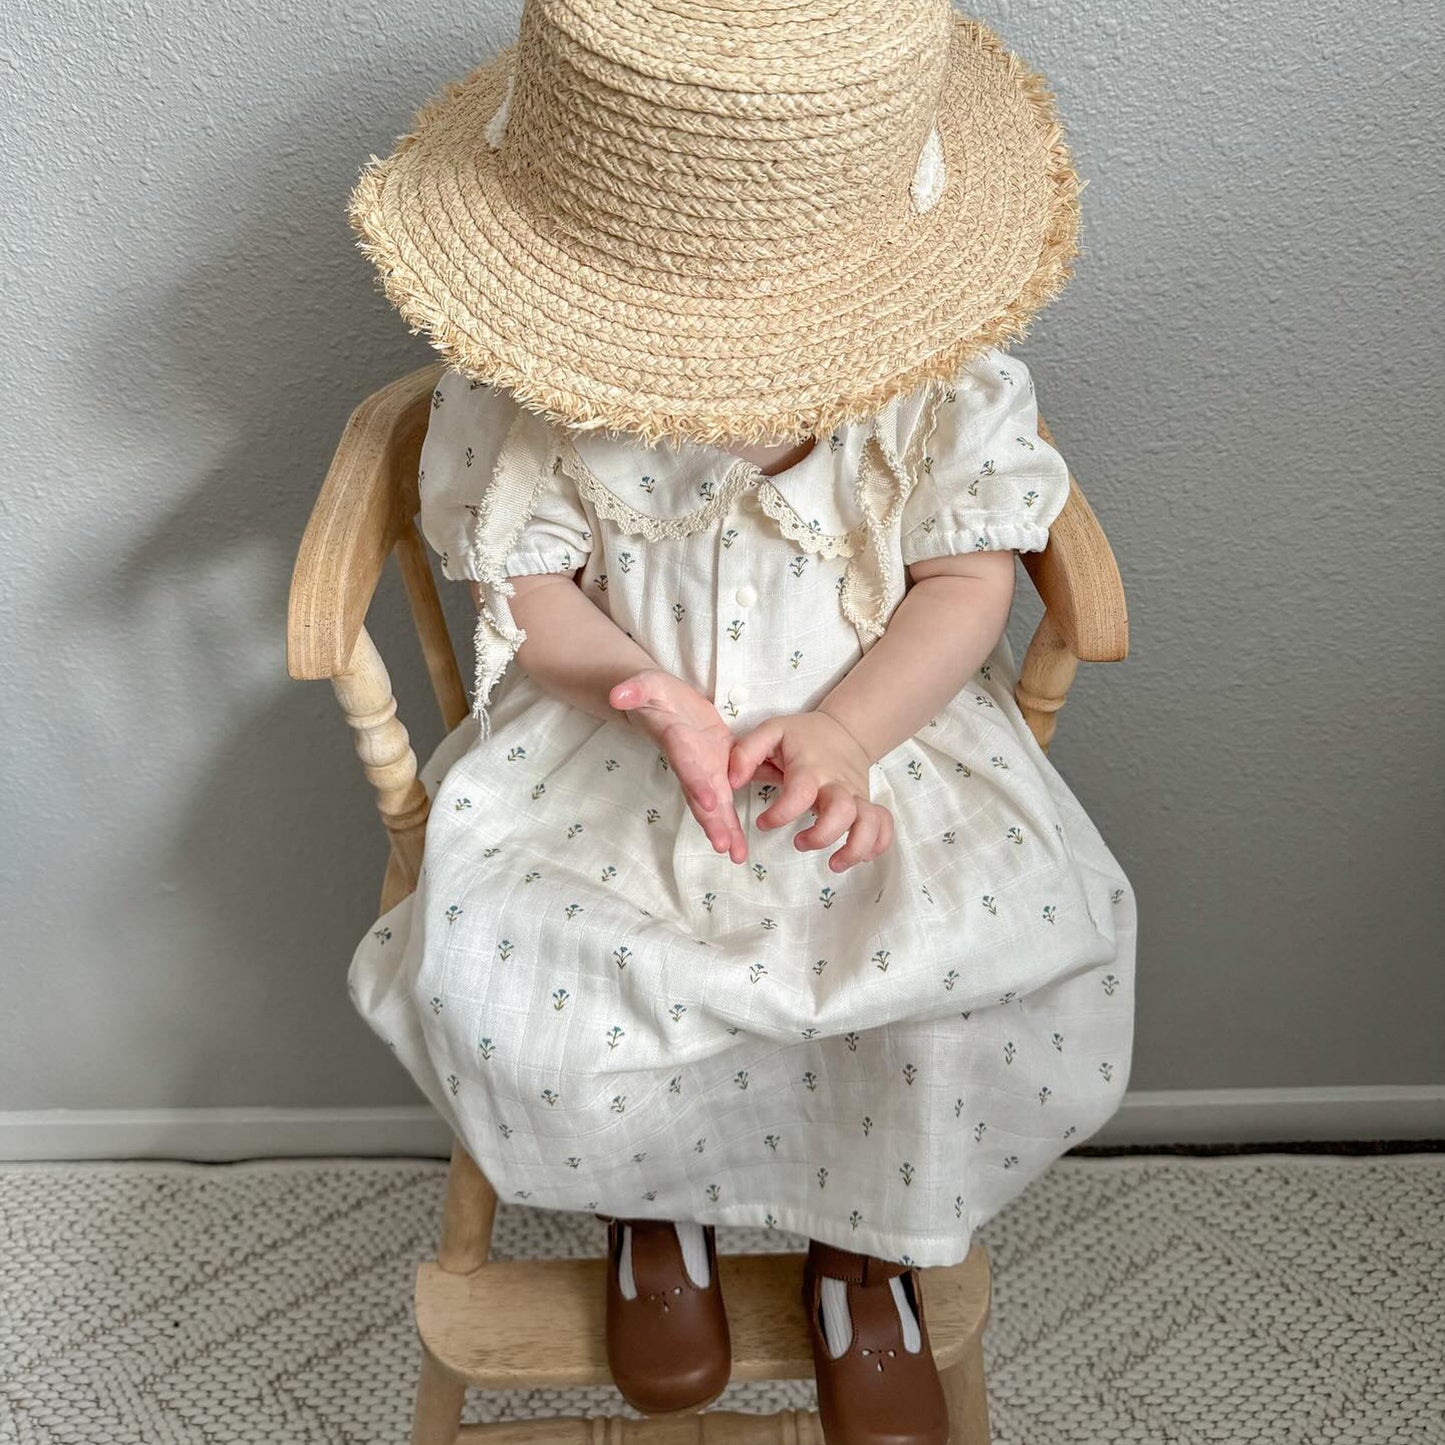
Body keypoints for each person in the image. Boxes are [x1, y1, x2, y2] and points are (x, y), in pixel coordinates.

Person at [346, 2, 1135, 1440]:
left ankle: (868, 1248)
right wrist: (629, 691)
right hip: (623, 741)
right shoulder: (544, 390)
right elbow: (528, 582)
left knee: (941, 978)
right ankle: (648, 1208)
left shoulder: (938, 386)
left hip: (880, 734)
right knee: (565, 973)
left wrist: (844, 729)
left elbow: (966, 581)